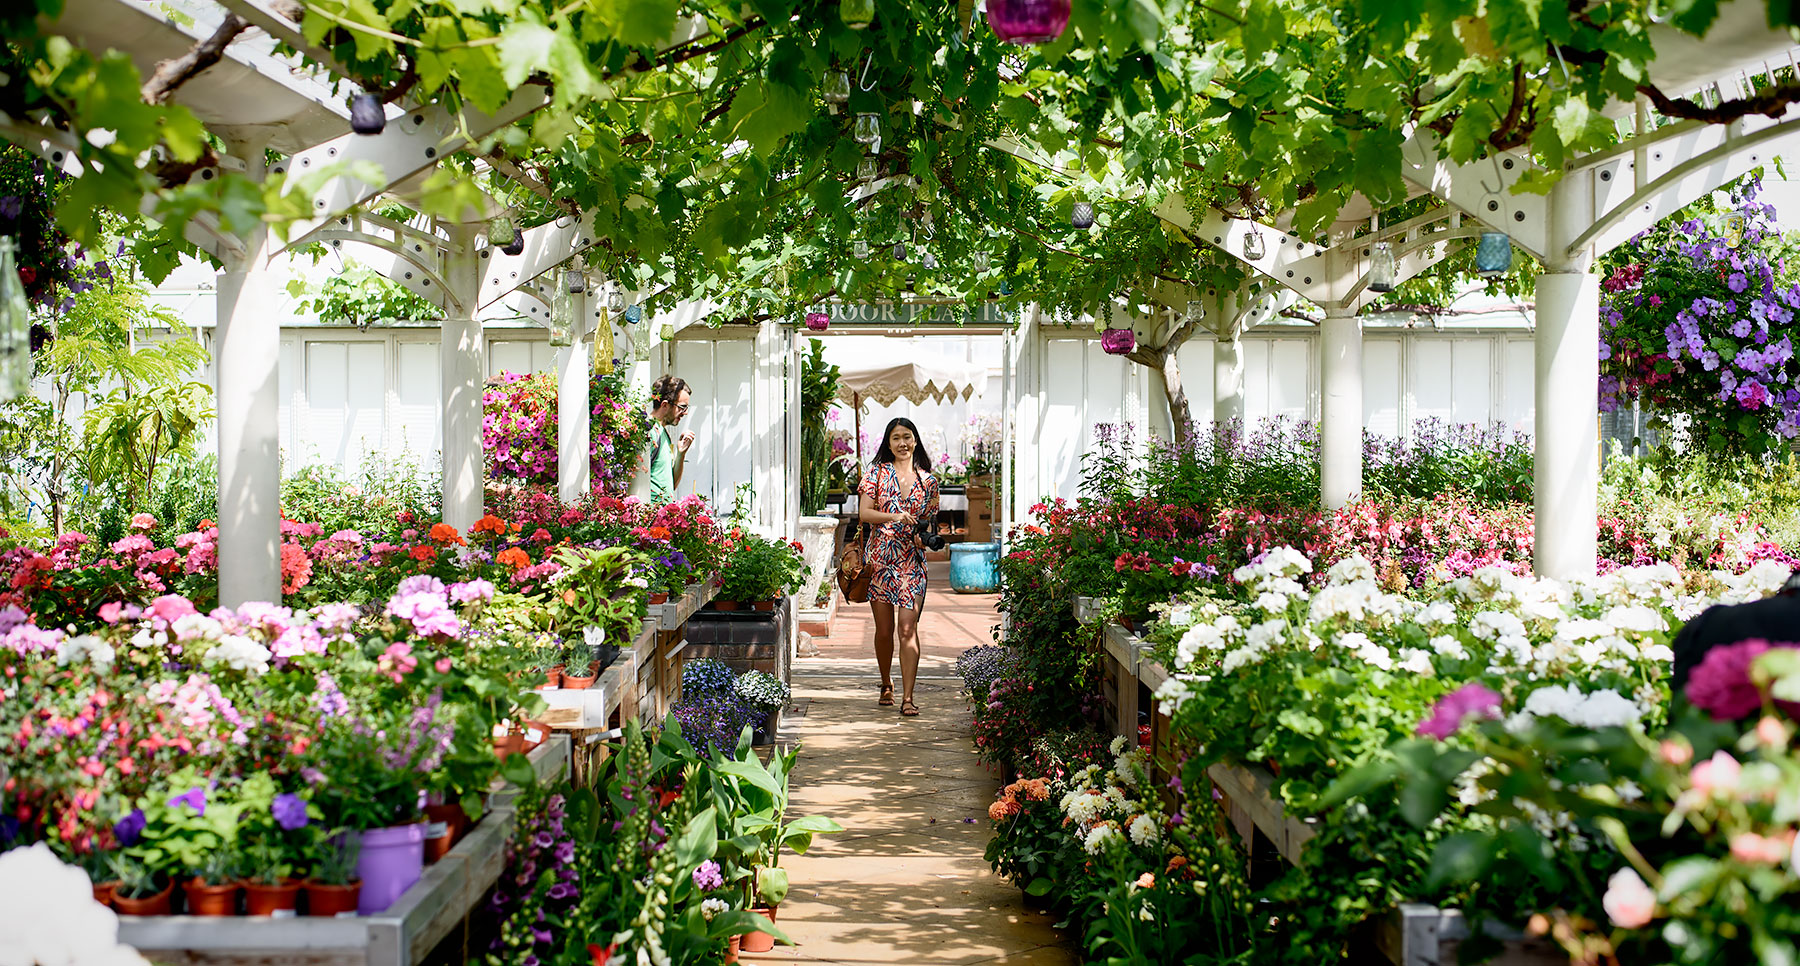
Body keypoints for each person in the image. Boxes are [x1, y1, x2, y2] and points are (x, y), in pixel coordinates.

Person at [857, 417, 940, 717]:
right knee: (884, 630)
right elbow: (865, 514)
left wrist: (924, 538)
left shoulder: (927, 481)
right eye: (896, 438)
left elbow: (928, 522)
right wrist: (894, 517)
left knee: (907, 627)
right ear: (888, 443)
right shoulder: (876, 474)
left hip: (912, 562)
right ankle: (885, 683)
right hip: (881, 559)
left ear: (915, 440)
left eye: (907, 437)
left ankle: (908, 697)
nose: (902, 443)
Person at [645, 375, 695, 504]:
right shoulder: (648, 430)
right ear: (665, 405)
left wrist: (681, 454)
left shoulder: (663, 433)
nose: (685, 413)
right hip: (650, 517)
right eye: (682, 407)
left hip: (663, 517)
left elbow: (671, 486)